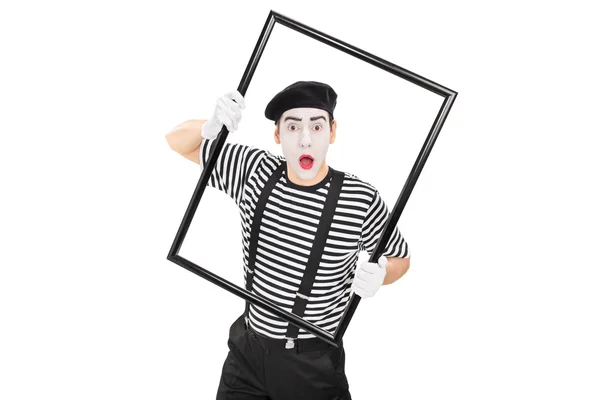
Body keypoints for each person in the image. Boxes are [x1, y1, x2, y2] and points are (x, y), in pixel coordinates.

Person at [165, 81, 411, 400]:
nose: (305, 139)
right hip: (247, 352)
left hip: (311, 365)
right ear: (278, 134)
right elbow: (177, 142)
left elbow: (400, 258)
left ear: (332, 132)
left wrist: (381, 275)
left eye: (316, 126)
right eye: (293, 126)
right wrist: (210, 127)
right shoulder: (254, 170)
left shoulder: (359, 199)